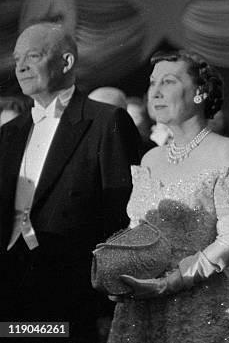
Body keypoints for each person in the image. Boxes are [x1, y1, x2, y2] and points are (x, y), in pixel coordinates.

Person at [107, 49, 229, 342]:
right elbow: (138, 233)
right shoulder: (150, 159)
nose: (155, 92)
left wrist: (173, 282)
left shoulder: (224, 149)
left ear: (199, 93)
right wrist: (122, 272)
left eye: (168, 82)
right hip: (145, 308)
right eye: (152, 83)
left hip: (207, 305)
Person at [0, 23, 140, 342]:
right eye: (17, 57)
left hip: (71, 288)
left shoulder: (107, 122)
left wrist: (107, 298)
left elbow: (122, 216)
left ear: (66, 62)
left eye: (33, 56)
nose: (21, 67)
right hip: (11, 282)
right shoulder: (9, 132)